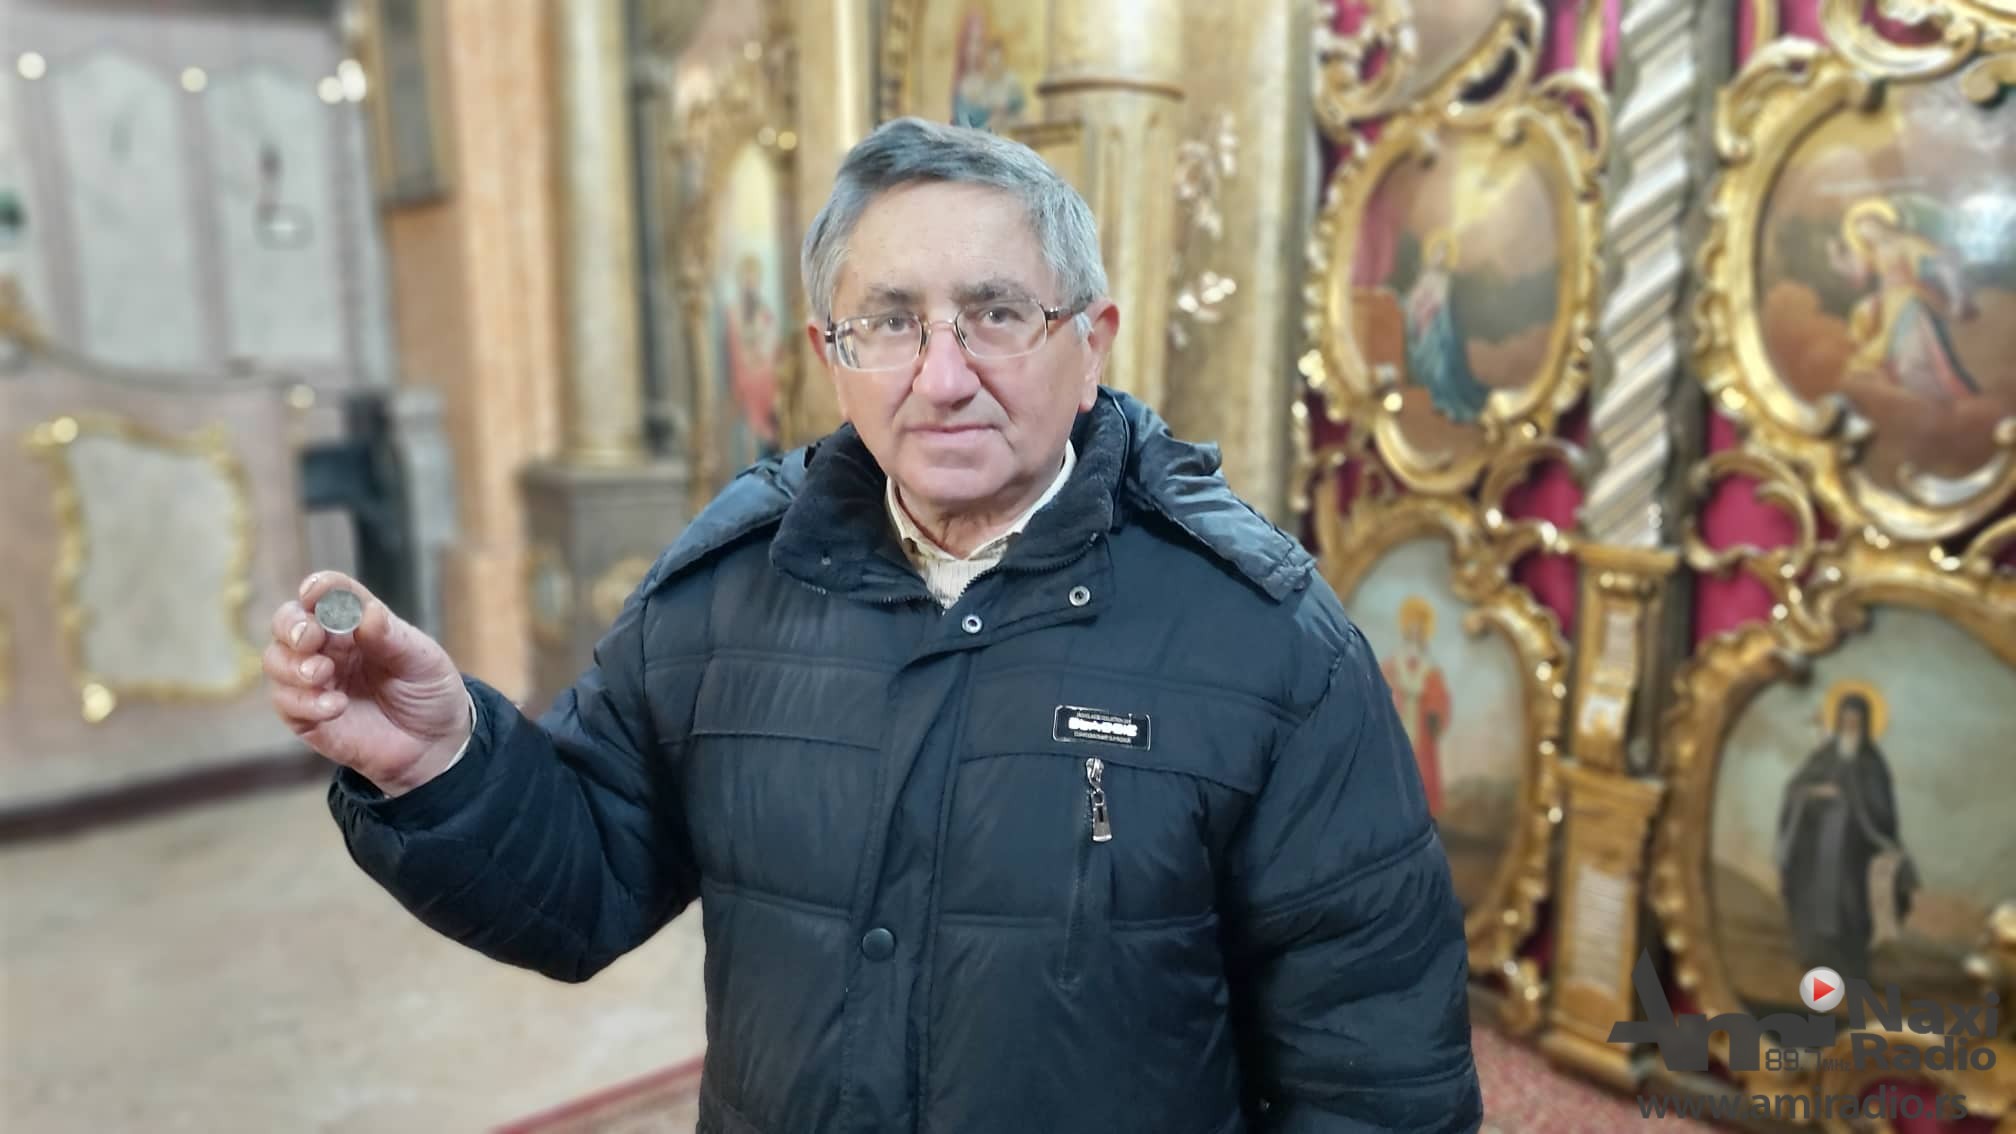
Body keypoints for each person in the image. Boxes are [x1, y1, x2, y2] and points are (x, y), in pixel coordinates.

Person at [265, 117, 1481, 1134]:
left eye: (997, 314)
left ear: (1091, 343)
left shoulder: (1265, 640)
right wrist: (444, 763)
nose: (941, 378)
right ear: (828, 355)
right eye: (891, 322)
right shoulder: (724, 594)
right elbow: (585, 886)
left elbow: (1373, 1068)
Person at [1774, 686, 1917, 980]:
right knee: (1814, 899)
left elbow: (1883, 811)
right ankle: (1815, 956)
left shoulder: (1872, 763)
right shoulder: (1824, 755)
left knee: (1850, 905)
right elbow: (1796, 788)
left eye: (1856, 720)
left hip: (1855, 850)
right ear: (1838, 720)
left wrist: (1851, 801)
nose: (1850, 725)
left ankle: (1850, 965)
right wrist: (1816, 792)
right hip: (1817, 845)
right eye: (1846, 719)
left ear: (1865, 723)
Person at [1827, 197, 1981, 403]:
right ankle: (1920, 403)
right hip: (1888, 305)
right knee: (1891, 358)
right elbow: (1857, 274)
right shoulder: (1873, 251)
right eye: (1861, 232)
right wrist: (1836, 257)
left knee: (1910, 359)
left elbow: (1939, 258)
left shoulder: (1907, 242)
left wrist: (1954, 288)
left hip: (1910, 301)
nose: (1867, 234)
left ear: (1882, 221)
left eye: (1869, 226)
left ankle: (1936, 402)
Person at [1402, 229, 1492, 424]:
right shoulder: (1424, 275)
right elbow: (1413, 298)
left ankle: (1441, 397)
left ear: (1447, 258)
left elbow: (1440, 302)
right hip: (1419, 322)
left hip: (1436, 327)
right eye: (1436, 253)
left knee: (1439, 365)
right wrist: (1413, 305)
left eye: (1443, 254)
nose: (1439, 257)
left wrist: (1427, 308)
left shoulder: (1445, 279)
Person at [1382, 596, 1448, 816]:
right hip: (1398, 724)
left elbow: (1439, 698)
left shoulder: (1430, 668)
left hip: (1420, 729)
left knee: (1420, 771)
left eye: (1420, 626)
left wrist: (1434, 713)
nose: (1415, 630)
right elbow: (1380, 688)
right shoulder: (1393, 663)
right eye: (1412, 625)